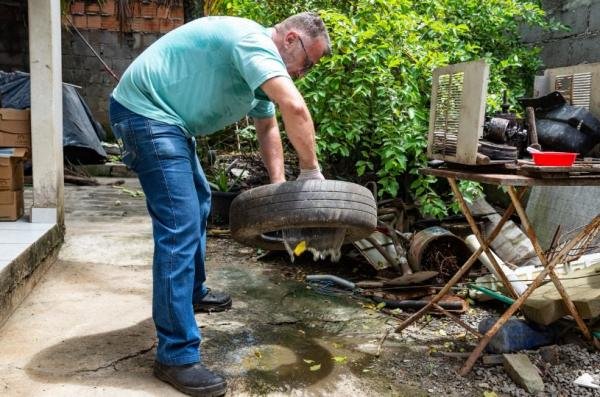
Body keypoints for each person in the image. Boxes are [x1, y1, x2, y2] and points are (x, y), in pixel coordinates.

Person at [108, 12, 331, 397]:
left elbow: (269, 126)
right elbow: (294, 108)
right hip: (146, 114)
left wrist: (277, 190)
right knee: (179, 224)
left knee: (200, 201)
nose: (304, 73)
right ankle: (175, 355)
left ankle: (192, 292)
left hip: (170, 123)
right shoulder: (254, 43)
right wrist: (311, 172)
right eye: (308, 63)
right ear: (291, 39)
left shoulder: (259, 68)